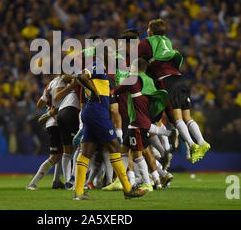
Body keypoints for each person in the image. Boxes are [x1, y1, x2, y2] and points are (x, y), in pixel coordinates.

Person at [73, 46, 148, 200]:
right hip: (97, 112)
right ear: (104, 55)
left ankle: (79, 192)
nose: (114, 57)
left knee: (86, 151)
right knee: (114, 146)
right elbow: (80, 76)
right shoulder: (98, 65)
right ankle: (128, 189)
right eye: (111, 54)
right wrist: (94, 91)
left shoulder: (103, 69)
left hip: (92, 111)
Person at [138, 18, 210, 163]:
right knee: (187, 117)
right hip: (180, 78)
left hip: (167, 80)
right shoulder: (167, 41)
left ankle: (191, 145)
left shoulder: (147, 42)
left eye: (148, 29)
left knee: (177, 119)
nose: (146, 31)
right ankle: (202, 142)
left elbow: (135, 58)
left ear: (151, 31)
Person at [113, 57, 174, 191]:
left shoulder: (132, 79)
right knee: (126, 150)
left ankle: (147, 182)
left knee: (138, 154)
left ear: (134, 68)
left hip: (136, 123)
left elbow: (116, 91)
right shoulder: (149, 80)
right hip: (144, 119)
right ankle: (122, 180)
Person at [26, 78, 65, 190]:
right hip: (56, 121)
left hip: (51, 122)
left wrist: (49, 108)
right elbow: (58, 98)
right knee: (55, 156)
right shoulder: (60, 82)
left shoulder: (50, 84)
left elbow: (39, 104)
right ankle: (32, 183)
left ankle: (56, 181)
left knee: (61, 153)